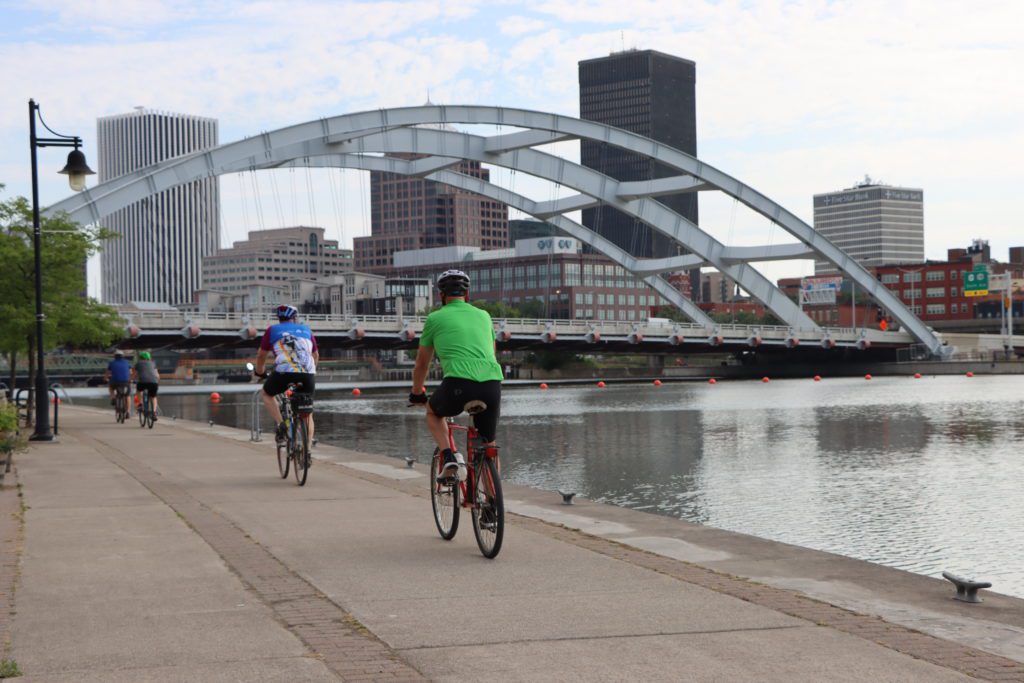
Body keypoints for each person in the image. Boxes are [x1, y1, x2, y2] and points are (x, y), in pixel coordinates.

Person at [410, 270, 503, 481]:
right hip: (491, 383)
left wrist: (417, 392)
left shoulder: (434, 318)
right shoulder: (484, 316)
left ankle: (448, 456)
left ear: (441, 295)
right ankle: (491, 503)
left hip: (458, 383)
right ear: (467, 295)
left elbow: (422, 363)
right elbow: (492, 351)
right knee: (489, 445)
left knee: (433, 413)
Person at [253, 304, 319, 446]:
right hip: (307, 373)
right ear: (294, 318)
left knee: (266, 393)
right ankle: (306, 452)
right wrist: (311, 371)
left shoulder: (272, 330)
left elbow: (261, 356)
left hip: (284, 372)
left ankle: (282, 424)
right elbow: (315, 354)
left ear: (279, 318)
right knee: (307, 413)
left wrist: (260, 372)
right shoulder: (306, 329)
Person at [134, 351, 160, 420]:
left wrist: (132, 380)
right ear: (149, 358)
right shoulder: (153, 363)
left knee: (138, 390)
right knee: (153, 397)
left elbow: (135, 374)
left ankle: (140, 404)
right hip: (153, 383)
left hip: (142, 382)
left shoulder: (138, 363)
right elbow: (157, 375)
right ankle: (154, 413)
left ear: (141, 358)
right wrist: (157, 382)